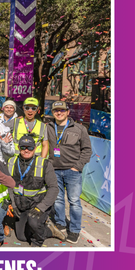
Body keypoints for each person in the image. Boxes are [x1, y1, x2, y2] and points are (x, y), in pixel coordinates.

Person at [46, 100, 92, 244]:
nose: (59, 113)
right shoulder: (47, 127)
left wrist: (77, 166)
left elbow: (87, 150)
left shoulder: (79, 128)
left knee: (74, 201)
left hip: (72, 171)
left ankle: (75, 229)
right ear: (53, 113)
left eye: (62, 110)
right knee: (58, 199)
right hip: (54, 169)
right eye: (56, 111)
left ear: (67, 112)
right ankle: (61, 223)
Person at [7, 135, 66, 246]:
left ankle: (38, 241)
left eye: (29, 147)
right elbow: (9, 186)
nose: (26, 150)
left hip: (38, 204)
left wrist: (41, 207)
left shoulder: (44, 163)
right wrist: (13, 205)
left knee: (33, 222)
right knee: (22, 237)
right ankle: (48, 229)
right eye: (23, 147)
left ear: (34, 148)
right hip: (21, 204)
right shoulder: (11, 162)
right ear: (19, 148)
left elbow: (54, 188)